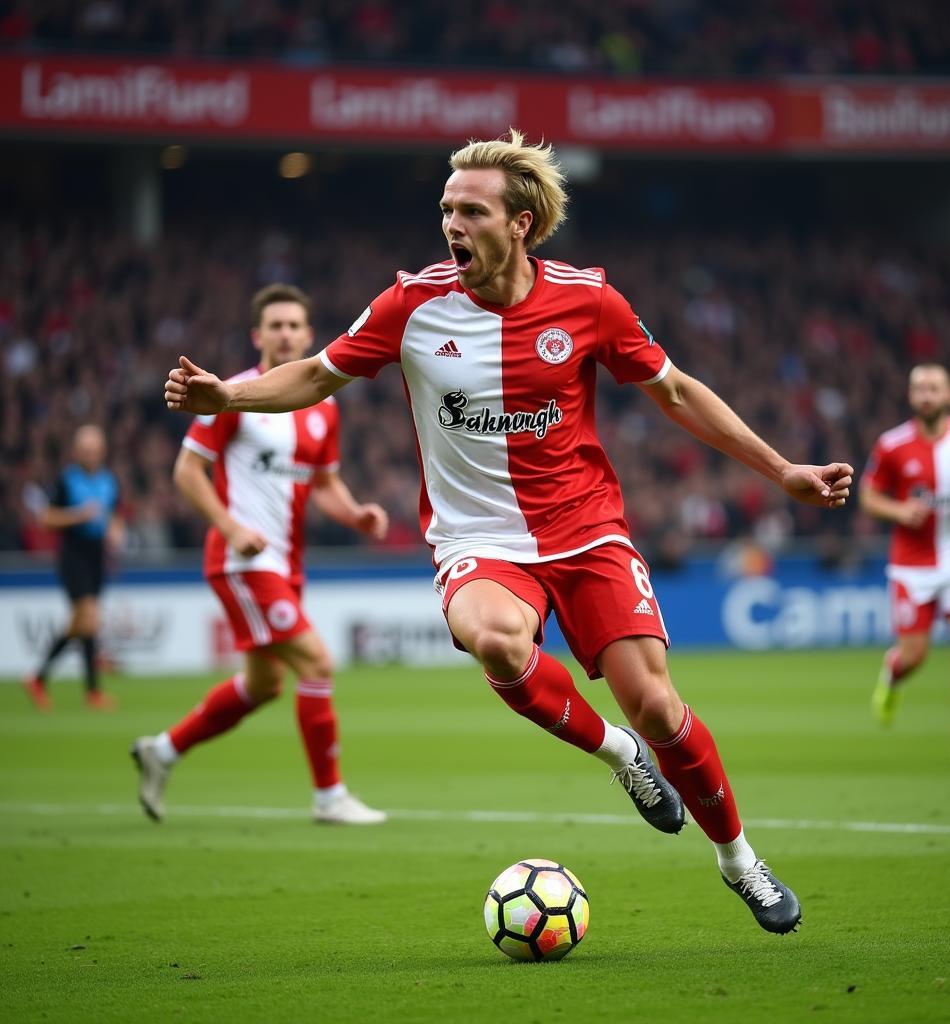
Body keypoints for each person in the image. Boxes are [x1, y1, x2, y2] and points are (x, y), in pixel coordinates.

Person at [164, 132, 853, 934]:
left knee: (659, 708)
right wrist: (230, 399)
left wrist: (783, 471)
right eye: (446, 209)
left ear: (520, 223)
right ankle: (617, 757)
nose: (451, 224)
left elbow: (676, 394)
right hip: (479, 541)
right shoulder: (409, 306)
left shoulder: (591, 300)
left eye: (471, 210)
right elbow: (317, 373)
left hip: (588, 530)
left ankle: (740, 860)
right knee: (495, 641)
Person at [134, 284, 389, 826]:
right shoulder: (231, 395)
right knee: (317, 662)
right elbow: (186, 472)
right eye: (275, 325)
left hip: (285, 563)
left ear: (308, 333)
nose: (286, 333)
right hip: (243, 561)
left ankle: (162, 751)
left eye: (295, 325)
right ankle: (329, 797)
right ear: (258, 335)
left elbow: (325, 484)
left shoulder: (321, 405)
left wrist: (355, 514)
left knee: (264, 684)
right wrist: (231, 527)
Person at [862, 363, 950, 768]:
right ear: (911, 397)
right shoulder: (891, 445)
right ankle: (892, 676)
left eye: (934, 388)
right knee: (914, 656)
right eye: (919, 388)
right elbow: (870, 498)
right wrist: (900, 510)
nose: (926, 394)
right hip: (912, 566)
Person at [24, 424, 123, 711]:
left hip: (96, 556)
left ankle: (39, 677)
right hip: (73, 554)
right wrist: (78, 516)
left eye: (95, 450)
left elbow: (114, 515)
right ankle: (91, 691)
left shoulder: (109, 480)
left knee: (81, 622)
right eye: (86, 450)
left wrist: (115, 530)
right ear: (78, 452)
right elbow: (46, 518)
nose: (91, 454)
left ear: (102, 451)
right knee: (89, 617)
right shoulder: (66, 481)